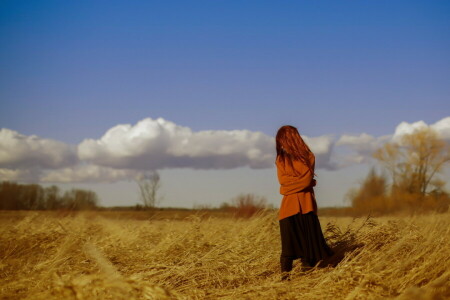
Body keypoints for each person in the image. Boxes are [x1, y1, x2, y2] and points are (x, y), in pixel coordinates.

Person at [275, 125, 334, 280]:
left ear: (289, 139)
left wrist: (293, 184)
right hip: (288, 208)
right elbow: (283, 182)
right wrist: (303, 183)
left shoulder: (309, 156)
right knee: (287, 250)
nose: (280, 144)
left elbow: (304, 181)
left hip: (306, 206)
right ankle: (284, 282)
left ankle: (306, 283)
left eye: (281, 140)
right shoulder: (281, 159)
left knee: (308, 251)